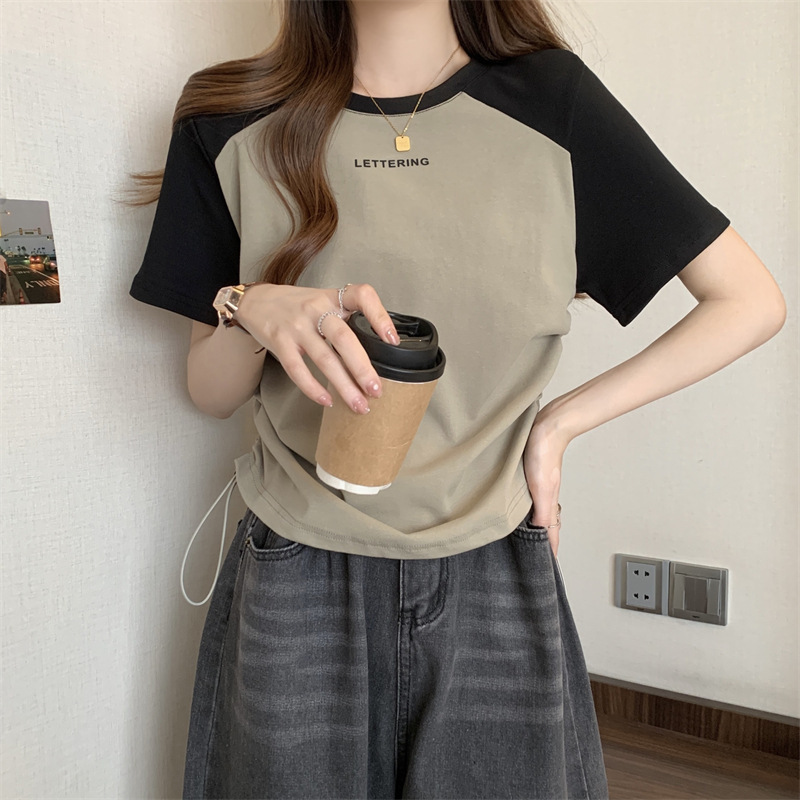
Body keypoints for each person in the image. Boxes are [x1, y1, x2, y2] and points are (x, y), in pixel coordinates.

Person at [127, 1, 785, 797]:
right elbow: (210, 391)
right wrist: (249, 306)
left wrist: (558, 427)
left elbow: (748, 301)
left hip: (493, 556)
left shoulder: (553, 103)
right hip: (297, 565)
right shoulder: (229, 117)